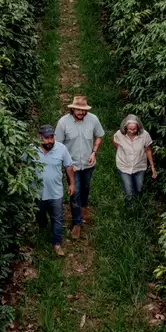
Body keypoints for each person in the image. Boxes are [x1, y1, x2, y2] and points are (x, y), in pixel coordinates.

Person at [56, 95, 104, 238]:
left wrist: (94, 152)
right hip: (72, 166)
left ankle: (84, 207)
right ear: (72, 109)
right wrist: (66, 163)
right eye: (79, 110)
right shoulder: (63, 123)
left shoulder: (93, 119)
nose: (82, 113)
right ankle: (77, 222)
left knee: (85, 188)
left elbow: (99, 135)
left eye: (84, 110)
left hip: (88, 164)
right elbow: (58, 145)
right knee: (74, 192)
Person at [32, 124, 74, 257]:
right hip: (37, 192)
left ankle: (57, 243)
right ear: (40, 137)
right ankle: (43, 226)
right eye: (46, 138)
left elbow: (68, 166)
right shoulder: (31, 150)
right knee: (40, 216)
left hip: (56, 192)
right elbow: (23, 164)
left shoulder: (61, 149)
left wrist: (71, 183)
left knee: (57, 218)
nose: (49, 141)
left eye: (51, 137)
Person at [113, 114, 156, 205]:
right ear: (125, 128)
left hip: (139, 166)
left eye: (134, 129)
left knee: (139, 189)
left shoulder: (144, 135)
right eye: (130, 129)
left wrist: (152, 167)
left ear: (138, 127)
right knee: (128, 191)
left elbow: (148, 150)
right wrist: (123, 151)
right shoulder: (119, 134)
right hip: (124, 166)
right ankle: (129, 210)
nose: (132, 131)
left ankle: (138, 205)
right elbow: (115, 142)